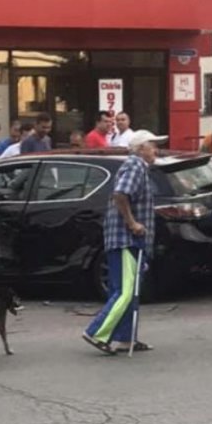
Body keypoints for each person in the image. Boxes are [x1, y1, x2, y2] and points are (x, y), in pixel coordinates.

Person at [82, 130, 167, 356]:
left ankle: (124, 338)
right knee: (126, 291)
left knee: (130, 290)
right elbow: (121, 194)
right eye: (152, 145)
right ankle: (97, 332)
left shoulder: (137, 167)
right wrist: (132, 223)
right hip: (126, 238)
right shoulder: (135, 165)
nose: (156, 150)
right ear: (140, 148)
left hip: (128, 239)